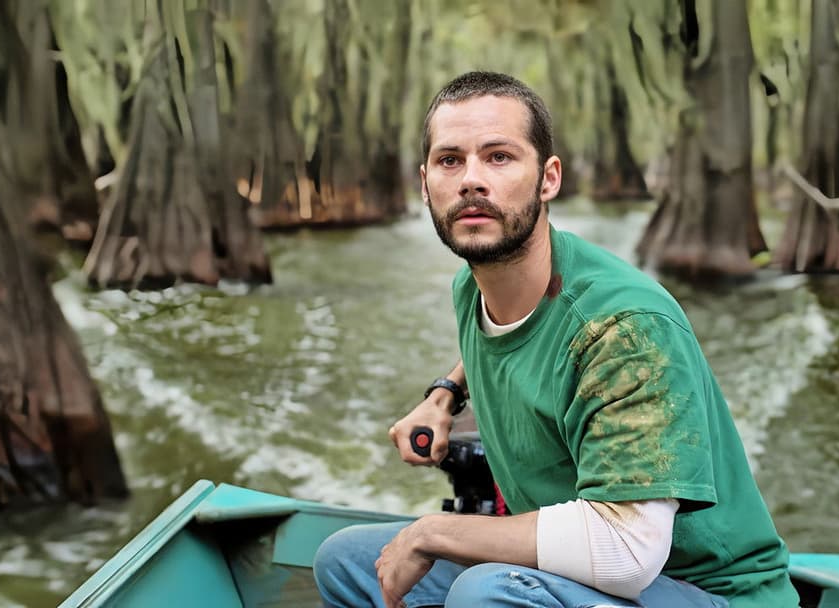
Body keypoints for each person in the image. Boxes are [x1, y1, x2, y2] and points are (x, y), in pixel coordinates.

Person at [312, 71, 799, 608]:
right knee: (346, 561)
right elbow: (517, 338)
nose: (472, 180)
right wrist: (445, 394)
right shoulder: (472, 289)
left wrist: (434, 532)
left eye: (499, 157)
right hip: (580, 573)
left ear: (548, 179)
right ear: (425, 184)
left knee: (486, 592)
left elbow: (626, 553)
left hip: (707, 591)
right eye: (451, 160)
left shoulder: (625, 327)